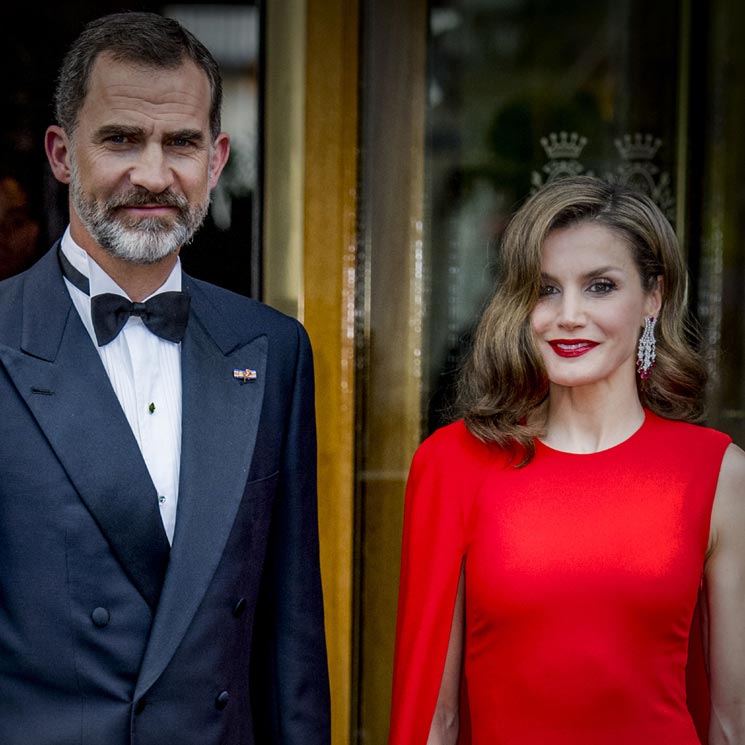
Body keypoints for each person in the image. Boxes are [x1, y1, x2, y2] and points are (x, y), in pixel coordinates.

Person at [0, 12, 330, 745]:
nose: (153, 174)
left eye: (179, 142)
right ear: (62, 153)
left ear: (216, 160)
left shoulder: (274, 350)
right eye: (120, 138)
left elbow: (292, 636)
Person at [388, 175, 745, 744]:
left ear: (653, 296)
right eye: (546, 289)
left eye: (600, 286)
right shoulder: (452, 464)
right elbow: (436, 718)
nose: (568, 315)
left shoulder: (719, 473)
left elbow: (730, 722)